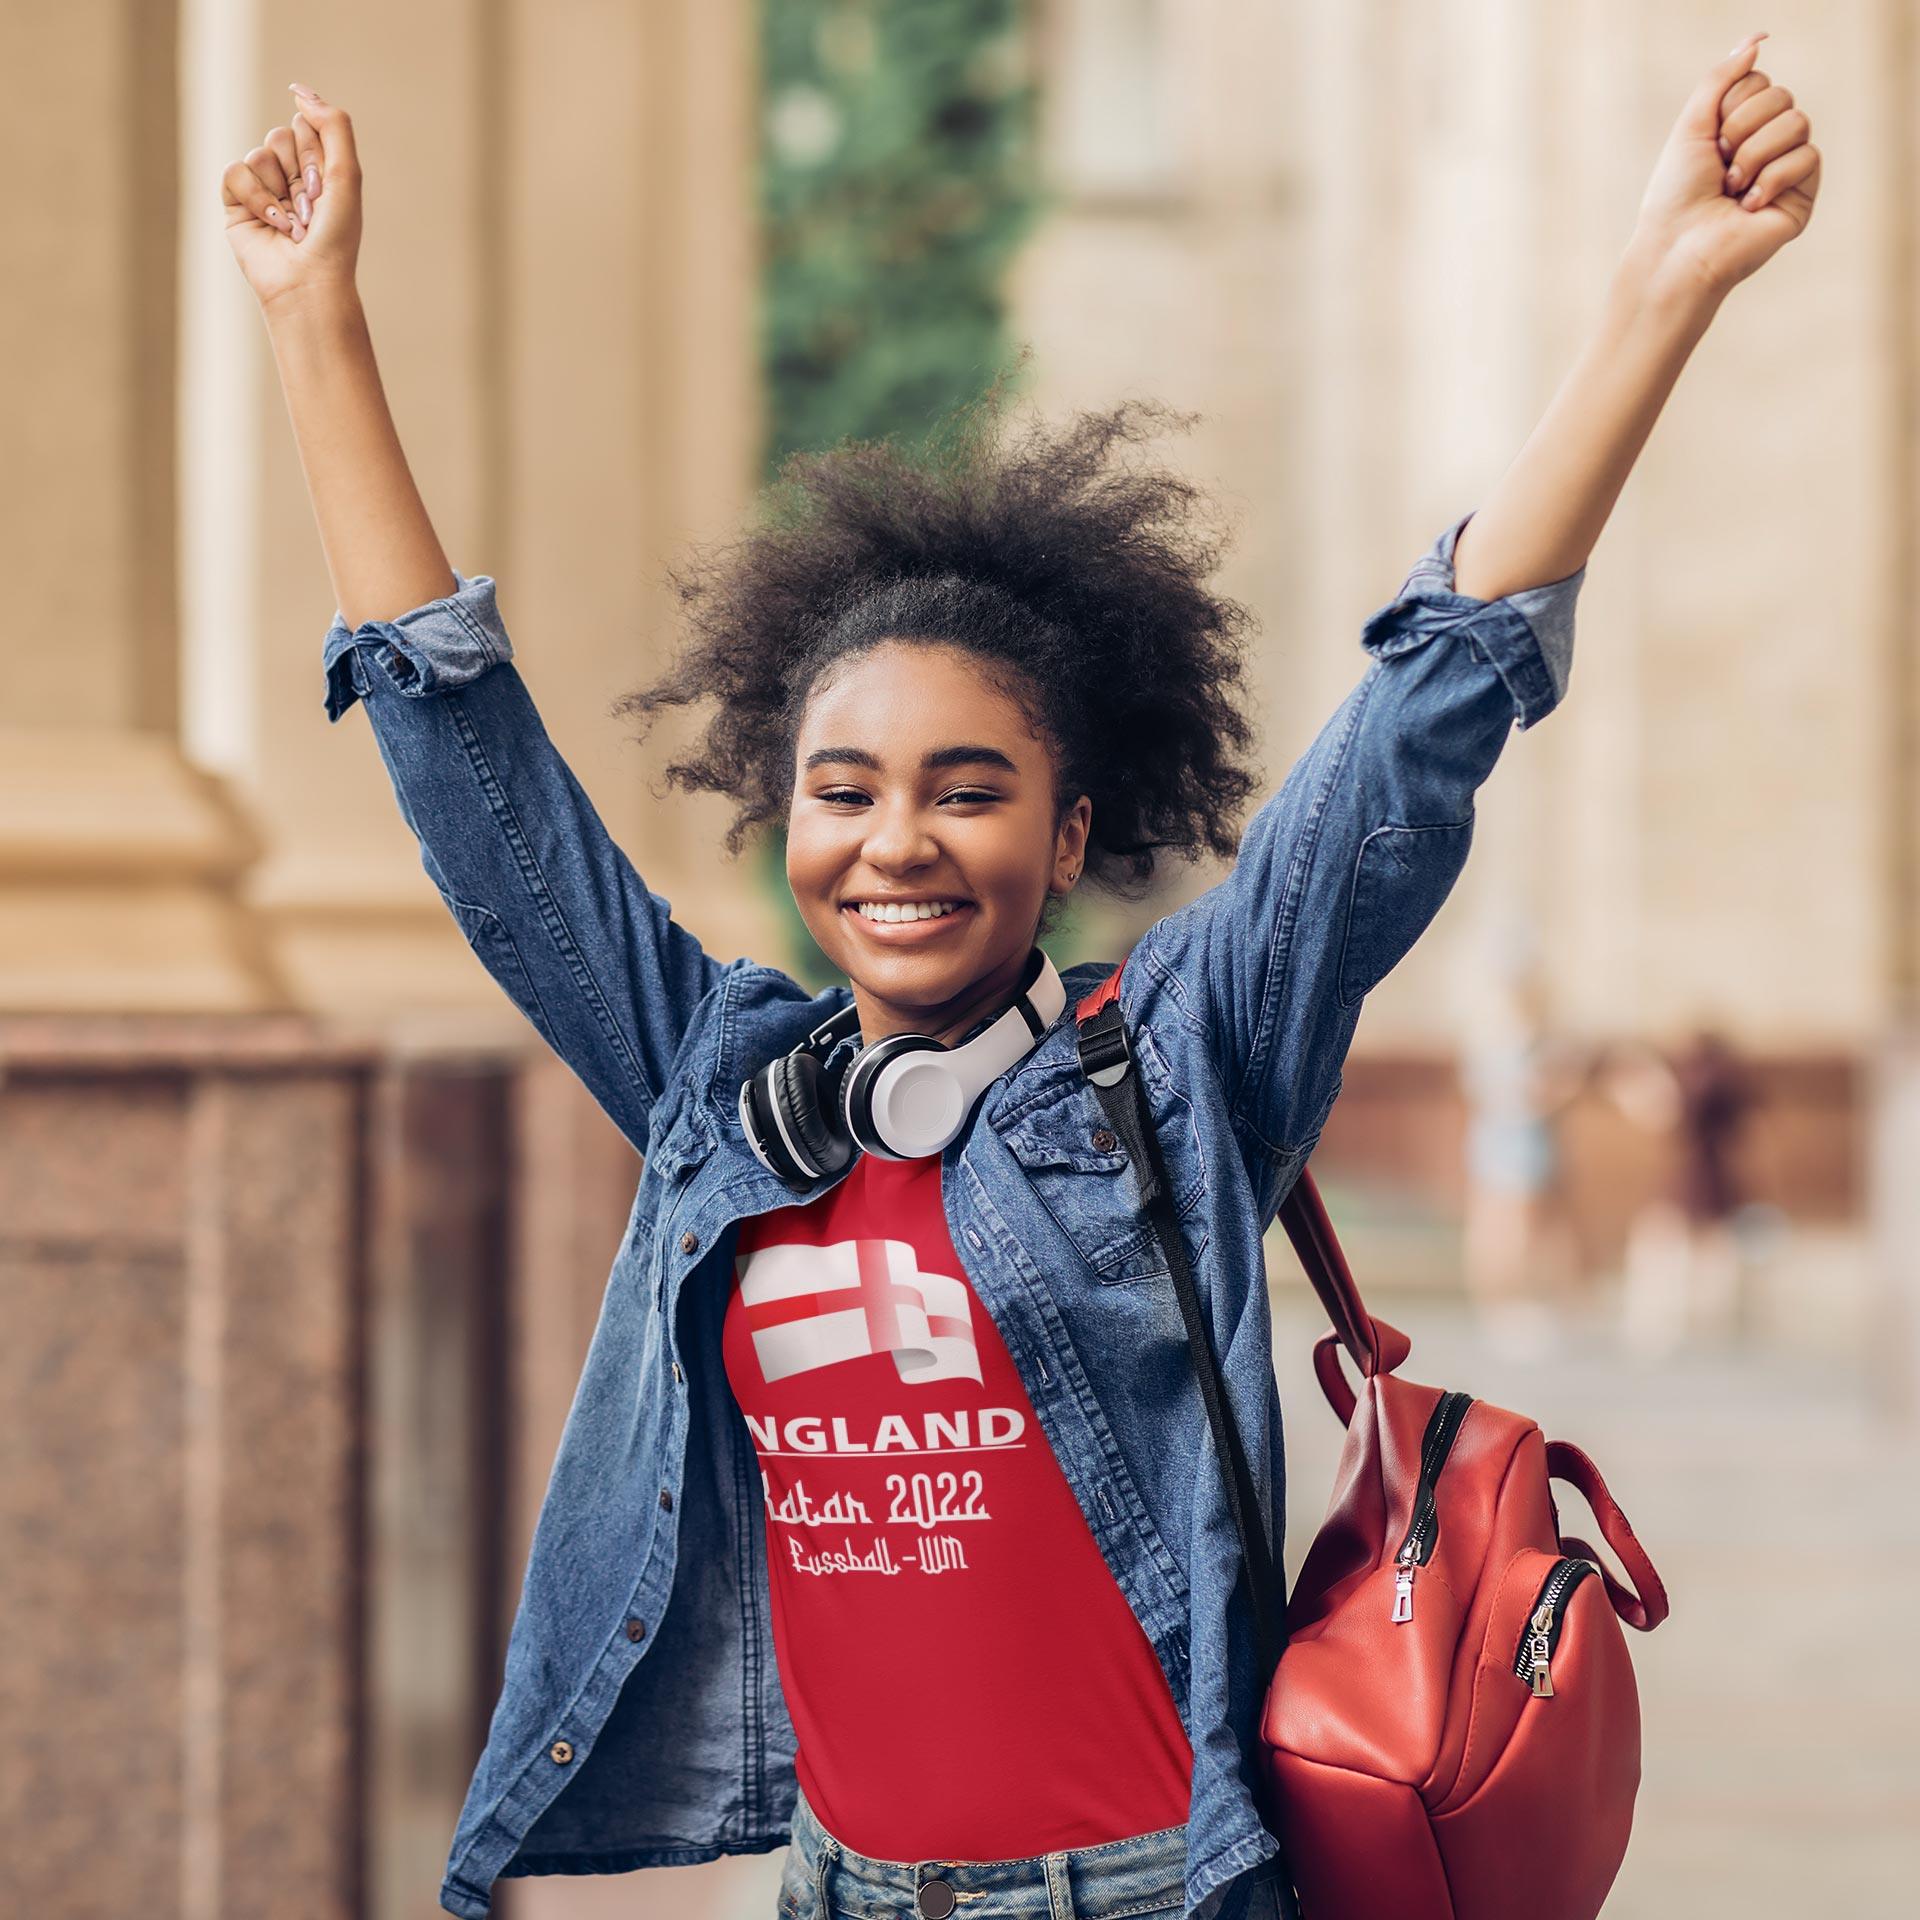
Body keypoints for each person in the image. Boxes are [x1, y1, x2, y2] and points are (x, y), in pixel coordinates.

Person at [221, 35, 1818, 1920]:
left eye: (970, 791)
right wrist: (315, 322)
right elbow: (479, 799)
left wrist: (1657, 295)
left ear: (1066, 840)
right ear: (788, 823)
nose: (897, 841)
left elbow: (1420, 722)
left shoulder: (1187, 1058)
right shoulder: (713, 1089)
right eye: (846, 791)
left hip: (1155, 1890)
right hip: (842, 1892)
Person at [1459, 943, 1596, 1358]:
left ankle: (1524, 1306)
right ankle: (1507, 1306)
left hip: (1519, 1139)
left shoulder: (1519, 1031)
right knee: (1509, 1228)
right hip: (1511, 1141)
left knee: (1531, 1226)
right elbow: (1518, 1093)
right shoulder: (1504, 1032)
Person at [1604, 1020, 1763, 1352]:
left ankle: (1666, 1323)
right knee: (1704, 1249)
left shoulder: (1703, 1083)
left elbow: (1671, 1113)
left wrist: (1648, 1083)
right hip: (1709, 1174)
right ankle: (1708, 1322)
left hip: (1695, 1175)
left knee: (1673, 1245)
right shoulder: (1724, 1081)